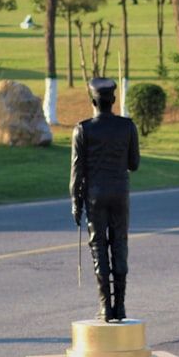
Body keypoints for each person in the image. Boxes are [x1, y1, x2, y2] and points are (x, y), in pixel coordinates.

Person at [70, 78, 140, 322]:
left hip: (95, 196)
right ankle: (120, 306)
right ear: (114, 101)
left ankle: (105, 307)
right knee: (119, 244)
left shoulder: (83, 129)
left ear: (93, 101)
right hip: (120, 193)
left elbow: (76, 173)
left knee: (98, 247)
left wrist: (75, 203)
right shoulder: (127, 127)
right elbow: (134, 164)